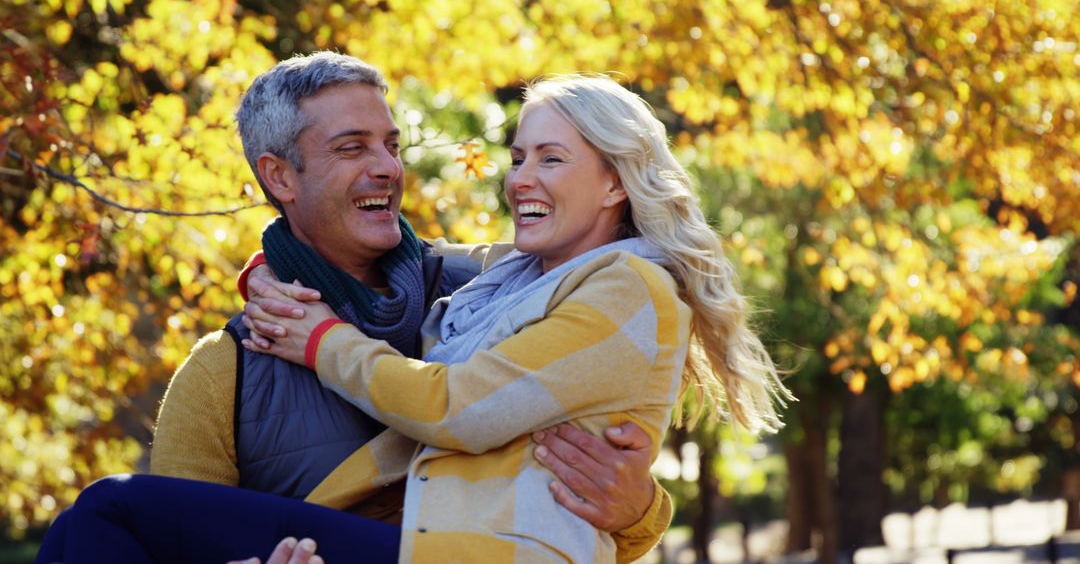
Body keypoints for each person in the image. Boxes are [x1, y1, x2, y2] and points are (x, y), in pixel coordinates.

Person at [36, 55, 669, 564]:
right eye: (352, 148)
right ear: (280, 177)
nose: (387, 169)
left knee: (102, 510)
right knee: (90, 524)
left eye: (391, 145)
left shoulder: (487, 291)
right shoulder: (225, 369)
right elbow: (182, 541)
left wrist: (639, 507)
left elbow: (574, 469)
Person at [238, 74, 791, 561]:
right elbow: (403, 253)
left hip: (485, 551)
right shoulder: (514, 278)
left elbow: (456, 406)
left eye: (551, 158)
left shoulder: (629, 287)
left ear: (616, 183)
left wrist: (319, 341)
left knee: (151, 509)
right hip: (427, 541)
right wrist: (271, 267)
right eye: (518, 157)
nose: (520, 179)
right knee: (156, 510)